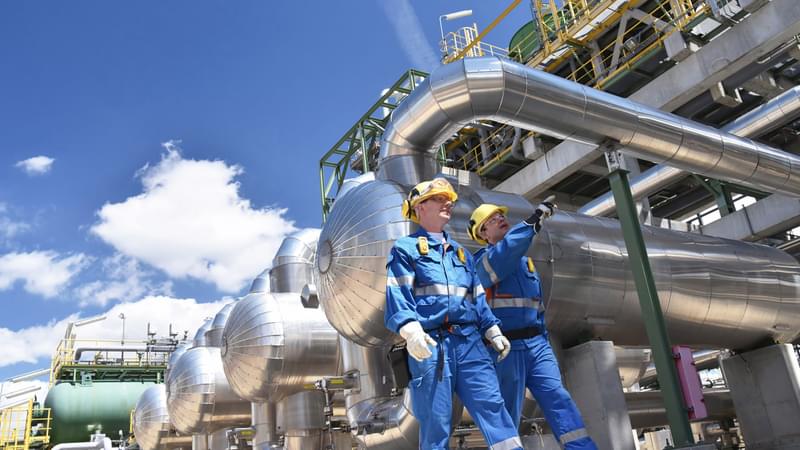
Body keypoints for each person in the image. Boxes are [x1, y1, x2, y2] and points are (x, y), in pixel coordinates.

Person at [384, 177, 523, 450]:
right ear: (420, 208)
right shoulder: (406, 249)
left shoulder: (461, 254)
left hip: (470, 343)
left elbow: (477, 298)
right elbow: (398, 294)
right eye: (438, 199)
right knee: (436, 423)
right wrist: (411, 331)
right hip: (432, 345)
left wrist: (492, 330)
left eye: (448, 200)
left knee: (493, 408)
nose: (447, 203)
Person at [468, 199, 597, 450]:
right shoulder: (482, 263)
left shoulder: (525, 263)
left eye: (501, 215)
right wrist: (532, 221)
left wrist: (544, 341)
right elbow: (505, 253)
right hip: (505, 349)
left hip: (537, 345)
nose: (500, 219)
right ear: (483, 233)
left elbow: (537, 306)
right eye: (492, 219)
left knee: (558, 398)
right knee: (506, 414)